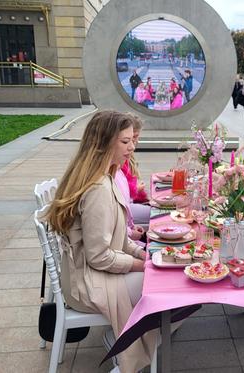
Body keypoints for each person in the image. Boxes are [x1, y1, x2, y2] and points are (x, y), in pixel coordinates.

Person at [45, 111, 157, 373]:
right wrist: (141, 265)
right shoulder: (98, 189)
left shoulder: (103, 177)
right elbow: (100, 256)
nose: (132, 147)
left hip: (90, 274)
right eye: (125, 141)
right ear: (105, 142)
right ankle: (127, 349)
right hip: (88, 283)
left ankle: (129, 344)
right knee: (170, 293)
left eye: (132, 141)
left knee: (164, 282)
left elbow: (116, 236)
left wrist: (141, 255)